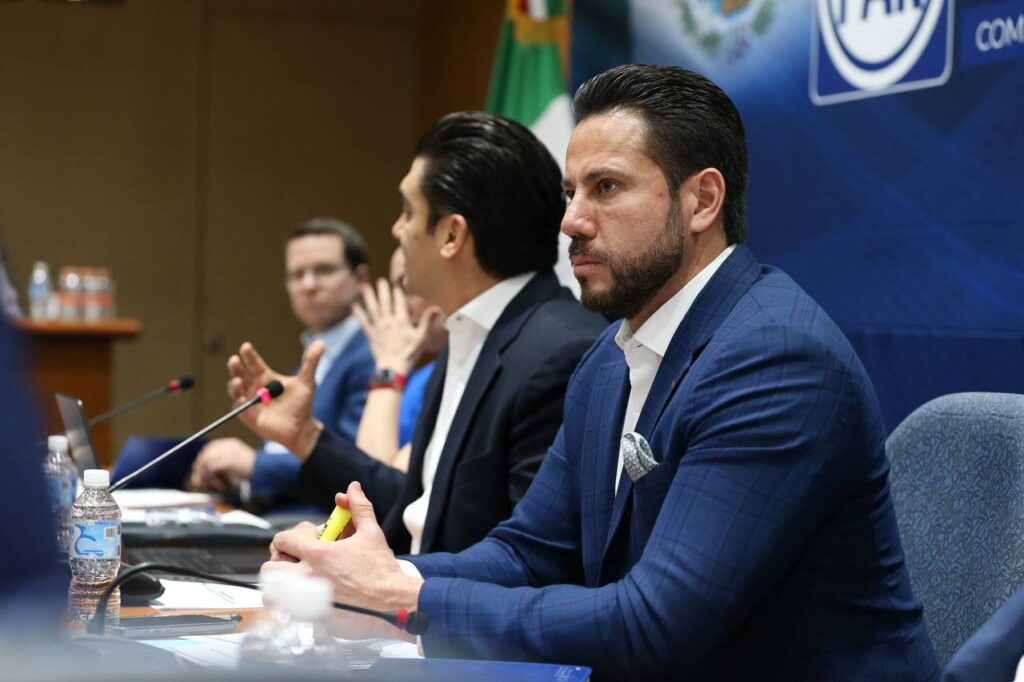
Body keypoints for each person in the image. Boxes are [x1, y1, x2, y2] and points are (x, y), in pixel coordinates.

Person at [259, 65, 939, 680]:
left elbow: (656, 626)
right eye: (570, 192)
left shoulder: (776, 360)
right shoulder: (611, 355)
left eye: (606, 188)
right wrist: (362, 572)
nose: (572, 222)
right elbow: (529, 552)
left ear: (701, 201)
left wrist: (405, 599)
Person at [226, 111, 607, 554]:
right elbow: (421, 510)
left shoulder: (561, 353)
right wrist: (305, 436)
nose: (397, 229)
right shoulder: (470, 333)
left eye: (407, 211)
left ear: (451, 235)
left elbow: (529, 559)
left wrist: (382, 578)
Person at [190, 218, 373, 508]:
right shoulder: (314, 351)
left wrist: (254, 465)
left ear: (360, 279)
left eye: (324, 270)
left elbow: (358, 466)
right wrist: (239, 481)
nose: (309, 285)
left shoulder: (372, 356)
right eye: (297, 274)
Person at [351, 247, 446, 472]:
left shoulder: (470, 375)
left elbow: (376, 477)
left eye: (407, 286)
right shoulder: (425, 377)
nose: (400, 306)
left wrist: (390, 363)